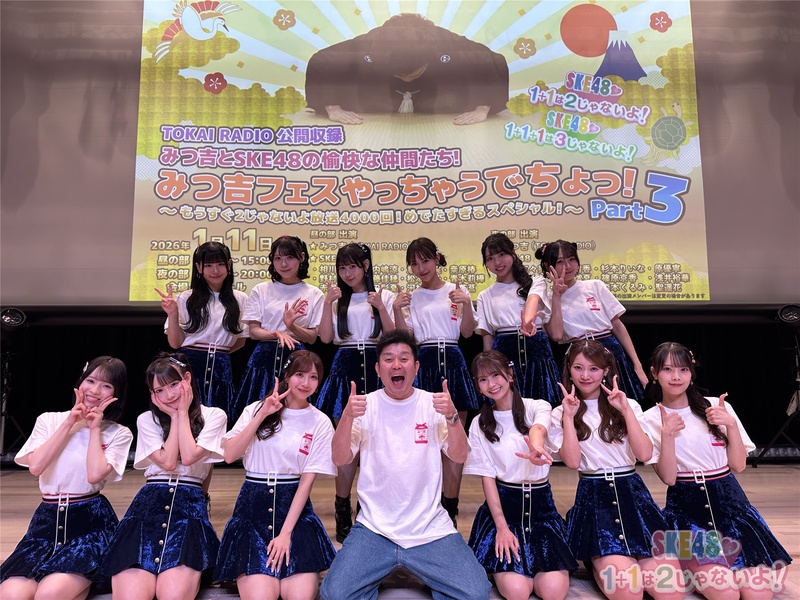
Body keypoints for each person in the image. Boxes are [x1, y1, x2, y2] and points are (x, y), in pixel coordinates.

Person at [320, 329, 491, 600]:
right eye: (388, 359)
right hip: (374, 529)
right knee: (335, 593)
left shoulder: (433, 404)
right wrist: (347, 417)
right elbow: (340, 459)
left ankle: (419, 573)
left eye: (403, 358)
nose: (396, 365)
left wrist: (452, 416)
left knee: (476, 592)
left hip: (429, 529)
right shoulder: (364, 406)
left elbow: (459, 456)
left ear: (416, 367)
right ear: (378, 369)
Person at [642, 342, 791, 600]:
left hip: (732, 511)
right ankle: (688, 566)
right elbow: (668, 478)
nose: (676, 377)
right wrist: (667, 435)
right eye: (667, 369)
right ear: (654, 373)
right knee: (725, 593)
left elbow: (739, 465)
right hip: (691, 519)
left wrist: (730, 425)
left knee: (758, 594)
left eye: (683, 369)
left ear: (692, 372)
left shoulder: (715, 406)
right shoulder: (649, 418)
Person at [549, 341, 683, 600]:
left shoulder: (628, 404)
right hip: (594, 501)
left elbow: (644, 454)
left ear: (606, 371)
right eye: (578, 368)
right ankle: (597, 561)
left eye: (594, 368)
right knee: (627, 590)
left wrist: (625, 411)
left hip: (635, 497)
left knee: (670, 592)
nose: (586, 375)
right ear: (569, 370)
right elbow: (573, 462)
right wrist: (568, 417)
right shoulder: (561, 412)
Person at [0, 357, 132, 600]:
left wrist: (94, 428)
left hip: (88, 529)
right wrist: (70, 421)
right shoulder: (49, 419)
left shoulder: (118, 432)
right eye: (90, 381)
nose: (95, 390)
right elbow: (36, 466)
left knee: (49, 594)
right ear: (80, 382)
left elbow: (94, 474)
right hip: (45, 527)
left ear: (116, 394)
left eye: (106, 385)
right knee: (10, 594)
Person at [102, 353, 227, 600]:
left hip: (189, 510)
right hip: (148, 507)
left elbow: (189, 457)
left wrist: (182, 414)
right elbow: (169, 462)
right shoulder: (146, 419)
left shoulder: (214, 415)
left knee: (173, 595)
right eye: (159, 390)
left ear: (187, 379)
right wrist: (175, 416)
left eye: (174, 384)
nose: (169, 395)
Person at [215, 350, 336, 600]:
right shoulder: (256, 409)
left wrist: (286, 534)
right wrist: (262, 414)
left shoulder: (321, 421)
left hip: (295, 515)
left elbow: (306, 484)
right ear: (286, 375)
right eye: (299, 374)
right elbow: (229, 455)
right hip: (252, 512)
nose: (306, 383)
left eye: (313, 377)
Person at [465, 350, 576, 600]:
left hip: (542, 514)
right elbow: (487, 479)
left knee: (553, 592)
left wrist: (535, 447)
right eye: (483, 379)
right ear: (478, 386)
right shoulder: (479, 424)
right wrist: (502, 528)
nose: (491, 384)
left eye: (496, 375)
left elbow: (539, 428)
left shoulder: (537, 406)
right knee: (517, 592)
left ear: (510, 374)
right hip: (505, 513)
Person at [394, 237, 478, 526]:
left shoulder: (456, 291)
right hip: (426, 361)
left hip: (453, 360)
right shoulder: (411, 298)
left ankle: (450, 507)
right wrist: (396, 309)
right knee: (423, 439)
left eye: (425, 260)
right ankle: (425, 504)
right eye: (414, 263)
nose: (421, 268)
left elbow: (467, 333)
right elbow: (406, 338)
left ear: (437, 258)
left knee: (455, 439)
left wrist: (466, 304)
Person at [316, 242, 395, 542]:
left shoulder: (382, 295)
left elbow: (393, 336)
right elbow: (325, 338)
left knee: (375, 443)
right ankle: (342, 508)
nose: (348, 273)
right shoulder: (336, 299)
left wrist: (381, 307)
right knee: (347, 444)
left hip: (376, 365)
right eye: (342, 268)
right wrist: (327, 303)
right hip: (345, 365)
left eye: (353, 266)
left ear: (366, 265)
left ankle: (369, 509)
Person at [305, 13, 509, 126]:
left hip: (436, 92)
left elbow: (493, 62)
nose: (407, 80)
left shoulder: (446, 42)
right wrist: (333, 108)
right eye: (402, 75)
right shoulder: (370, 44)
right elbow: (322, 61)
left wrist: (483, 108)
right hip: (381, 93)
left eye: (412, 74)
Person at [535, 240, 648, 402]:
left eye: (572, 259)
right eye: (560, 261)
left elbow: (617, 325)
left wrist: (638, 365)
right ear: (548, 266)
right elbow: (557, 335)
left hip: (609, 351)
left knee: (620, 404)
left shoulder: (595, 286)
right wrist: (557, 296)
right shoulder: (546, 298)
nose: (568, 266)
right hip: (579, 356)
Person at [155, 241, 249, 424]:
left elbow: (241, 341)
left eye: (220, 264)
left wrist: (219, 356)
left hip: (222, 368)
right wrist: (172, 314)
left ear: (229, 265)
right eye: (208, 265)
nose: (215, 270)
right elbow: (175, 343)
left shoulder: (240, 299)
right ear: (198, 267)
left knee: (219, 417)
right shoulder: (186, 298)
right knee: (186, 416)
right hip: (190, 365)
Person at [234, 235, 324, 420]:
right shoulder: (261, 289)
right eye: (278, 258)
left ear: (301, 257)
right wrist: (275, 333)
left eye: (289, 257)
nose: (283, 264)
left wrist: (292, 327)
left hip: (297, 358)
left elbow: (312, 337)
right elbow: (253, 331)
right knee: (256, 411)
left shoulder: (314, 293)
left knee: (294, 411)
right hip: (263, 359)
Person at [476, 233, 561, 406]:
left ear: (513, 252)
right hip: (504, 357)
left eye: (501, 254)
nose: (497, 262)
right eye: (490, 258)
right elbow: (487, 339)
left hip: (537, 353)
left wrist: (527, 322)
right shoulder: (484, 295)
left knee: (544, 406)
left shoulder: (536, 282)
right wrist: (487, 370)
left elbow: (533, 301)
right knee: (508, 408)